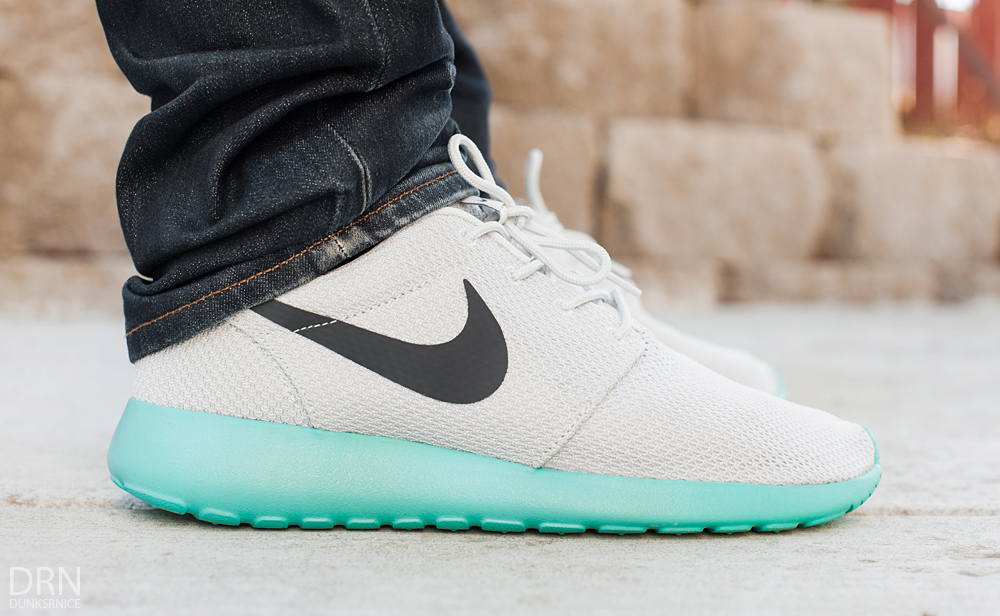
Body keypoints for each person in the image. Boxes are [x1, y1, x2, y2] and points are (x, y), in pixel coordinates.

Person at [98, 0, 880, 533]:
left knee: (412, 75)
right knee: (338, 110)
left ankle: (405, 194)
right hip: (303, 256)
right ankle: (330, 234)